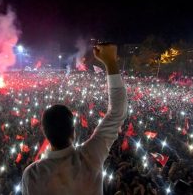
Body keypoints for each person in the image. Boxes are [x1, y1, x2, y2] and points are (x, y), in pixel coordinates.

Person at [21, 43, 128, 195]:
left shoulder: (32, 174)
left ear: (44, 132)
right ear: (73, 132)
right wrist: (110, 62)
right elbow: (118, 111)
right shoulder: (91, 156)